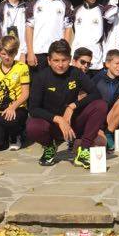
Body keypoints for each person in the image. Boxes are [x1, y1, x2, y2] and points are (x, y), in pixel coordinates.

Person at [26, 39, 107, 168]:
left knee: (100, 105)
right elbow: (33, 108)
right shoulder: (41, 77)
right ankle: (49, 147)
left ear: (69, 59)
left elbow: (96, 94)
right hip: (51, 125)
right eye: (56, 60)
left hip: (73, 123)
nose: (60, 65)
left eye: (64, 60)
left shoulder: (76, 73)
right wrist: (58, 119)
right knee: (32, 126)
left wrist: (72, 106)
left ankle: (84, 150)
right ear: (49, 60)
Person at [25, 0, 72, 71]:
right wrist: (30, 52)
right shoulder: (34, 3)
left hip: (58, 53)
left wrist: (66, 51)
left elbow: (68, 28)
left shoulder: (65, 4)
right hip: (38, 53)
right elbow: (29, 28)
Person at [72, 0, 110, 72]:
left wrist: (105, 58)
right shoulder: (76, 11)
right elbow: (73, 33)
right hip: (78, 61)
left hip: (96, 61)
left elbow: (107, 35)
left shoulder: (103, 11)